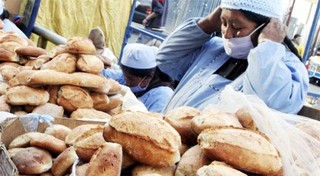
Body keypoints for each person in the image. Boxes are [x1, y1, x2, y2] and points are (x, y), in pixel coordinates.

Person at [156, 0, 309, 114]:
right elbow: (165, 59)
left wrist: (267, 47)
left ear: (268, 27)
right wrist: (209, 23)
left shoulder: (289, 67)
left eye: (237, 27)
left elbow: (273, 103)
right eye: (223, 23)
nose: (227, 34)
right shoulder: (214, 49)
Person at [101, 43, 175, 113]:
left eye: (130, 79)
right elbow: (103, 74)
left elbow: (155, 122)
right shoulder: (125, 77)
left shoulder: (163, 95)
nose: (126, 82)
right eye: (125, 77)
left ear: (149, 77)